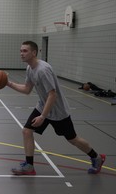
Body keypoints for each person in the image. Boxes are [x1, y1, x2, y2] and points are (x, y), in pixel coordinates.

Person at [7, 41, 105, 175]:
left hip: (58, 111)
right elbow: (27, 89)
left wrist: (42, 117)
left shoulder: (43, 70)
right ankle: (29, 166)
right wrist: (8, 83)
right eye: (21, 50)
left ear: (34, 53)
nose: (21, 53)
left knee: (72, 139)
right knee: (26, 131)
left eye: (25, 51)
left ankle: (96, 157)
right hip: (43, 106)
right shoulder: (30, 68)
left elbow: (53, 95)